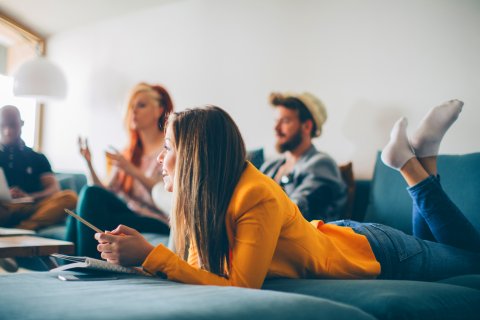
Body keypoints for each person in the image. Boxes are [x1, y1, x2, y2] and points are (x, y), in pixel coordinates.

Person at [94, 103, 479, 289]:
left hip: (377, 252)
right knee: (448, 249)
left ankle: (410, 166)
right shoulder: (207, 199)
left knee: (473, 259)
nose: (160, 159)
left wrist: (151, 255)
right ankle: (424, 154)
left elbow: (241, 288)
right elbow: (201, 271)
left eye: (168, 147)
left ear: (195, 156)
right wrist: (141, 257)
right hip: (339, 238)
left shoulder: (253, 194)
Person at [66, 83, 172, 258]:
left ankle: (91, 268)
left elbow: (165, 197)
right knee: (77, 214)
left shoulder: (168, 149)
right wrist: (89, 164)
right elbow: (102, 194)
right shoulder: (128, 153)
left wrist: (131, 170)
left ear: (159, 110)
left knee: (89, 200)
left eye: (141, 105)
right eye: (131, 106)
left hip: (156, 220)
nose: (134, 111)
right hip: (129, 214)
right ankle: (70, 270)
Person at [0, 105, 77, 272]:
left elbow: (53, 189)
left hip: (32, 207)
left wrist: (30, 196)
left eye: (12, 125)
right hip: (5, 208)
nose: (7, 131)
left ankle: (18, 232)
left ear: (21, 123)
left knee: (69, 197)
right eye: (3, 126)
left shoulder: (36, 157)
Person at [260, 92, 347, 221]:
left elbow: (295, 211)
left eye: (285, 121)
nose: (276, 128)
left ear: (307, 126)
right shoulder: (270, 165)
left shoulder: (322, 164)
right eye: (276, 121)